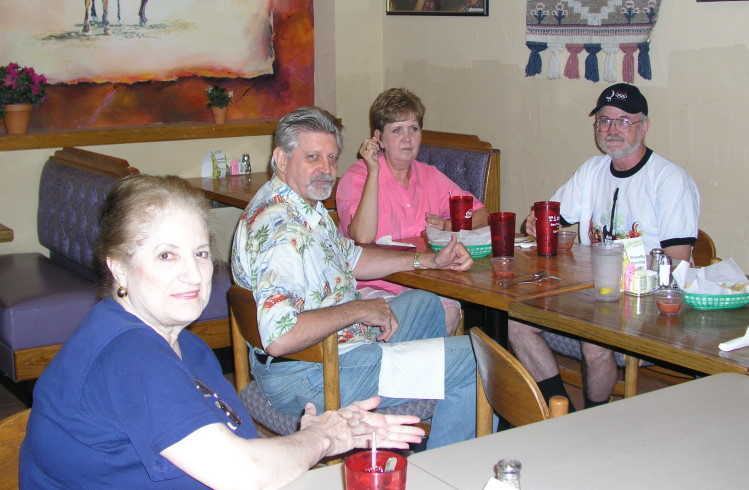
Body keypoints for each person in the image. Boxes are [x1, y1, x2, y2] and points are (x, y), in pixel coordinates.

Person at [19, 175, 424, 490]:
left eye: (199, 253)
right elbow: (244, 475)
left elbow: (241, 449)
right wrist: (319, 438)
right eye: (166, 255)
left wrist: (319, 436)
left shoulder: (187, 347)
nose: (193, 274)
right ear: (119, 268)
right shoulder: (127, 353)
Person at [232, 106, 478, 450]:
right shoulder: (282, 231)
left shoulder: (301, 205)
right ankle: (447, 473)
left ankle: (421, 407)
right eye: (313, 157)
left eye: (332, 158)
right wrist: (361, 310)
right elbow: (281, 336)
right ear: (281, 158)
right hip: (312, 374)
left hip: (335, 349)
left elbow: (352, 257)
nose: (327, 170)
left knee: (425, 304)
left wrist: (428, 260)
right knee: (475, 359)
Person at [510, 83, 700, 409]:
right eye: (604, 120)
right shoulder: (591, 171)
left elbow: (678, 261)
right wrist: (535, 223)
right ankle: (560, 408)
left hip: (646, 302)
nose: (612, 129)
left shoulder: (669, 179)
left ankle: (595, 416)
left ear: (644, 127)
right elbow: (552, 218)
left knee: (595, 340)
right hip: (589, 293)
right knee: (513, 321)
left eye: (624, 121)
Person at [336, 88, 488, 335]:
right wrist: (374, 171)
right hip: (370, 286)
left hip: (425, 281)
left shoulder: (429, 176)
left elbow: (481, 214)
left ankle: (427, 369)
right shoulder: (356, 178)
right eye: (397, 130)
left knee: (448, 310)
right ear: (378, 138)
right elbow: (362, 237)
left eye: (413, 129)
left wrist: (449, 226)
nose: (407, 138)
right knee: (426, 316)